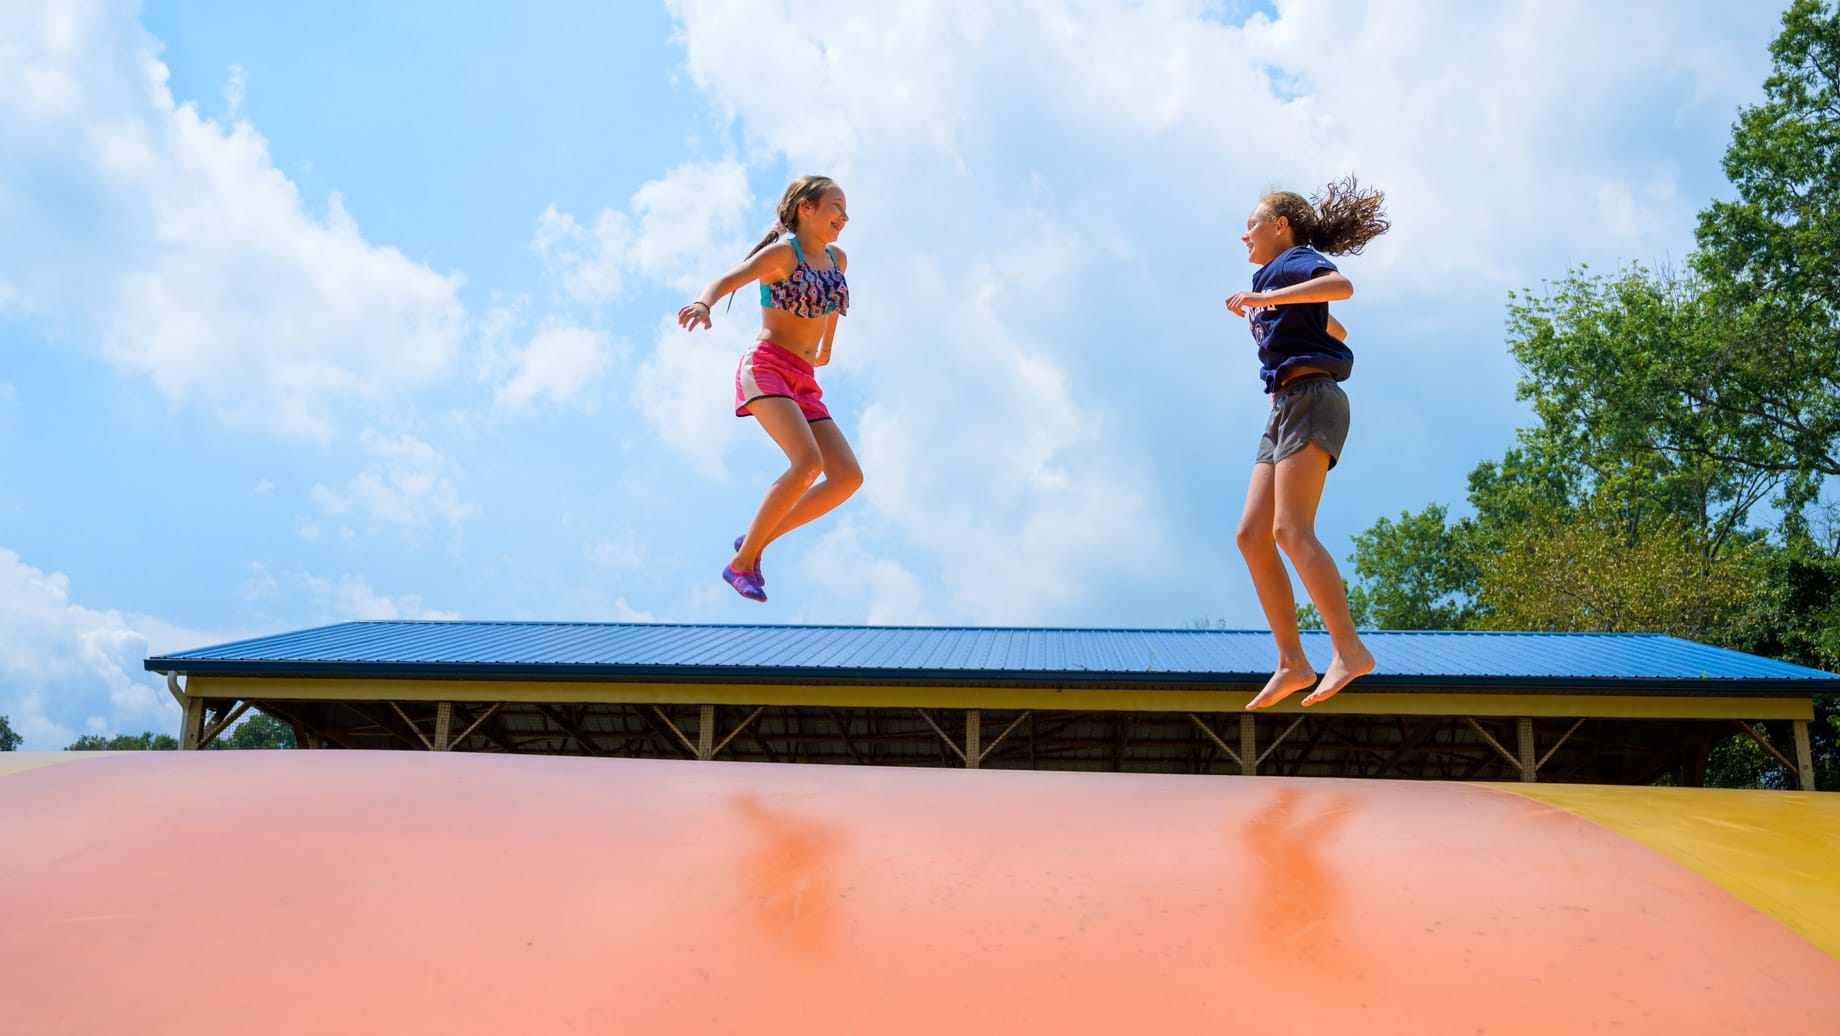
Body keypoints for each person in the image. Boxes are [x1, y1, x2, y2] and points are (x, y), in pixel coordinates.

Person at [1224, 177, 1389, 709]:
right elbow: (1331, 322)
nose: (1243, 234)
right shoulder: (1276, 278)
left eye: (1252, 224)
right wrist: (1292, 314)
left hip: (1313, 399)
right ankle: (1292, 661)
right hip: (1284, 407)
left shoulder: (1292, 262)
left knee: (1291, 530)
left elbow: (1340, 287)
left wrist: (1267, 296)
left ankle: (1349, 650)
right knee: (1252, 536)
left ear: (1281, 225)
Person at [678, 176, 862, 602]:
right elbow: (727, 280)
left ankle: (755, 541)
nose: (844, 216)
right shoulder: (783, 254)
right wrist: (704, 304)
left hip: (804, 379)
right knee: (807, 463)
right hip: (767, 369)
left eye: (847, 209)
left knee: (847, 477)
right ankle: (742, 563)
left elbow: (832, 302)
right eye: (836, 206)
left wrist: (827, 347)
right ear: (806, 208)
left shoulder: (838, 260)